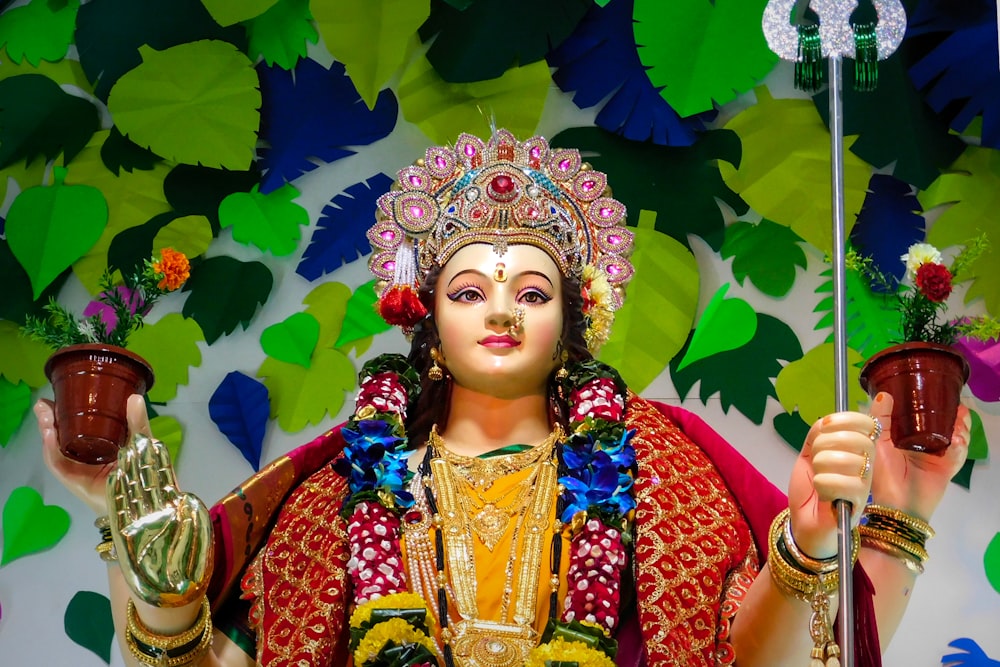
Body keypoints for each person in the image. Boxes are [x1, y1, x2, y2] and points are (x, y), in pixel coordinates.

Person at [36, 128, 970, 667]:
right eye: (468, 289)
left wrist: (812, 544)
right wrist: (152, 585)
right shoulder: (345, 487)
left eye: (531, 290)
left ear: (572, 317)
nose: (499, 311)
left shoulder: (662, 463)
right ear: (424, 316)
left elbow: (767, 660)